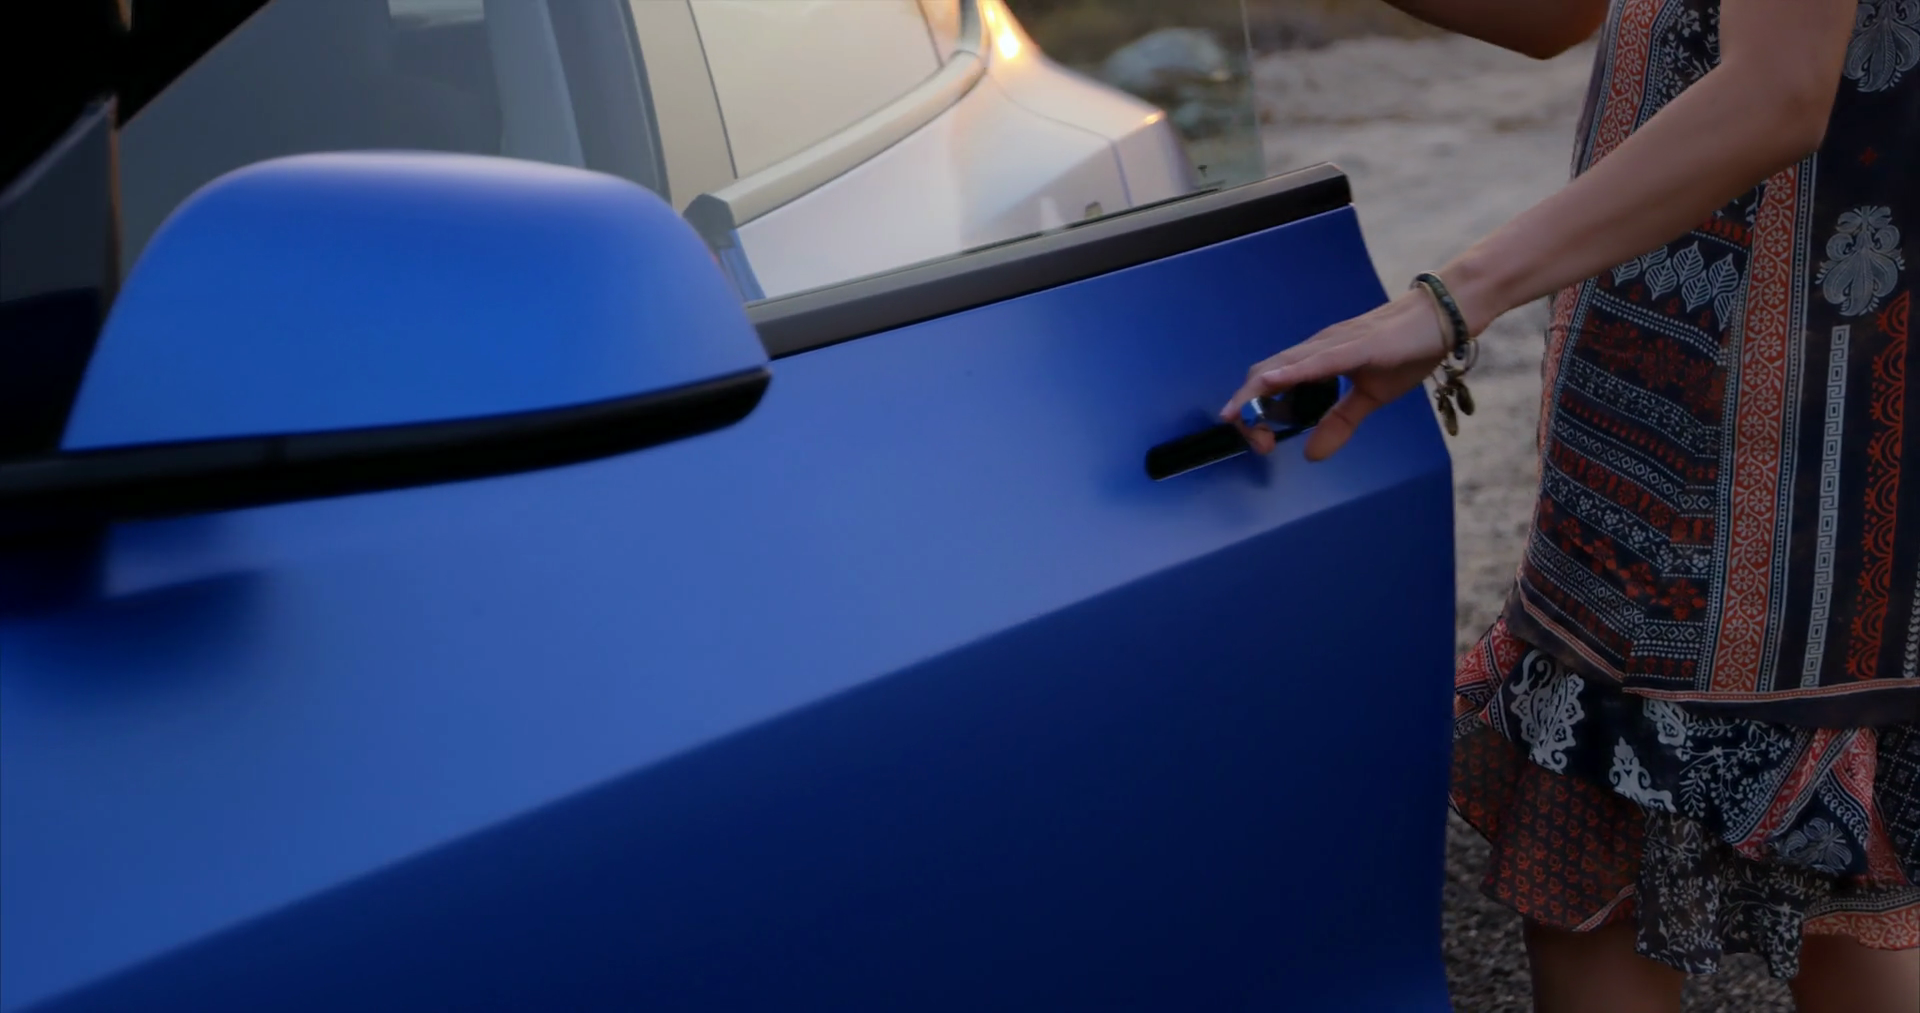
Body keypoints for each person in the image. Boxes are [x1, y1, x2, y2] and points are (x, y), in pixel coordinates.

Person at [1222, 1, 1919, 1010]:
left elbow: (1778, 93)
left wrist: (1450, 299)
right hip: (1670, 376)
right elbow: (1565, 11)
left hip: (1784, 407)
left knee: (1815, 861)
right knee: (1677, 846)